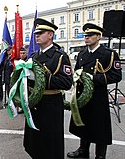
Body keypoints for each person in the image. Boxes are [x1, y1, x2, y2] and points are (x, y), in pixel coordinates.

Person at [67, 23, 122, 159]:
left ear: (98, 36)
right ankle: (83, 149)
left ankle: (100, 155)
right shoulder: (82, 54)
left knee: (99, 127)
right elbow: (78, 71)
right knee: (83, 123)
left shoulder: (108, 54)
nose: (86, 38)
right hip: (82, 94)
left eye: (90, 35)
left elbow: (116, 75)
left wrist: (93, 78)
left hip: (98, 95)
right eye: (85, 35)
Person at [24, 18, 73, 158]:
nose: (36, 35)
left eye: (41, 32)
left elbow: (66, 82)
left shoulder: (59, 56)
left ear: (50, 35)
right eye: (36, 33)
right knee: (35, 143)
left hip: (50, 105)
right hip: (34, 104)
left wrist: (43, 77)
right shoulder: (33, 56)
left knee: (50, 144)